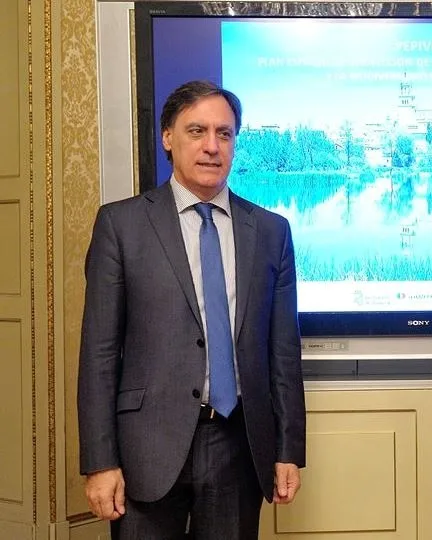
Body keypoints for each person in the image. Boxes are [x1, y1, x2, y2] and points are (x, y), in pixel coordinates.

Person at [78, 80, 306, 539]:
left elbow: (283, 352)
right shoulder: (121, 225)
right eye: (197, 131)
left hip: (238, 446)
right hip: (146, 447)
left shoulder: (270, 230)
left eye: (224, 134)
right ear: (168, 137)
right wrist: (100, 462)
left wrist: (288, 449)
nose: (211, 146)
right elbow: (99, 355)